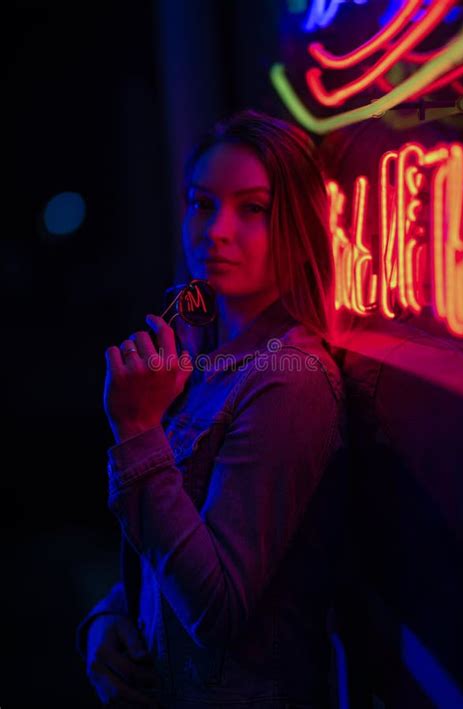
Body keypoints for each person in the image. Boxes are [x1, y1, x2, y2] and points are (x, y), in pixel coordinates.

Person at [76, 110, 348, 708]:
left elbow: (215, 610)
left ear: (298, 223)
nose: (216, 230)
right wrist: (106, 619)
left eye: (253, 208)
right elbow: (167, 543)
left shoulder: (291, 380)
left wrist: (138, 428)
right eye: (203, 203)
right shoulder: (203, 360)